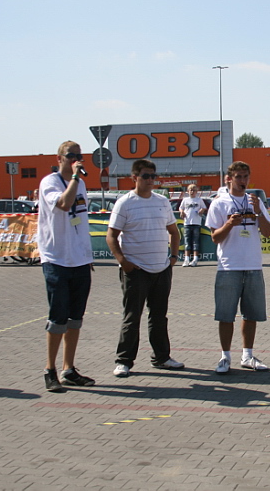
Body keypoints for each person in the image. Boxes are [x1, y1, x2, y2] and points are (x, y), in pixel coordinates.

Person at [106, 159, 184, 378]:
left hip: (161, 268)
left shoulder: (162, 201)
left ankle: (161, 357)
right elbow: (111, 236)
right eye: (146, 176)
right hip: (136, 270)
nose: (150, 180)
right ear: (135, 177)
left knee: (159, 317)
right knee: (132, 317)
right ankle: (124, 361)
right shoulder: (124, 203)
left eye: (153, 176)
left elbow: (174, 232)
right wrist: (123, 262)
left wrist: (173, 257)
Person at [37, 141, 95, 392]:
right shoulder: (50, 182)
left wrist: (86, 254)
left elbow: (80, 217)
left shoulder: (80, 183)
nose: (75, 159)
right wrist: (74, 177)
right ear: (59, 158)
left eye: (79, 156)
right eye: (71, 156)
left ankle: (68, 368)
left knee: (75, 318)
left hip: (79, 259)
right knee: (58, 317)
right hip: (57, 259)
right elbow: (63, 204)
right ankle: (50, 369)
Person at [205, 161, 270, 374]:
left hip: (253, 265)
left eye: (245, 177)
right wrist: (229, 224)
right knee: (226, 315)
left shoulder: (255, 201)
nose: (243, 181)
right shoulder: (219, 203)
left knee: (251, 314)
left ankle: (248, 355)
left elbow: (268, 232)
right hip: (229, 266)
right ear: (229, 179)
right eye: (238, 177)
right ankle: (225, 357)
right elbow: (215, 237)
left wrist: (258, 211)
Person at [179, 184, 207, 267]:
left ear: (196, 192)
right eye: (190, 190)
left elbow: (204, 207)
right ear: (188, 191)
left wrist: (201, 210)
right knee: (187, 242)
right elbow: (181, 207)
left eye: (194, 190)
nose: (192, 192)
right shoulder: (185, 200)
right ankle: (186, 259)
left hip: (196, 223)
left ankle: (195, 259)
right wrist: (181, 212)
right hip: (187, 223)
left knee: (195, 242)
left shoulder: (199, 200)